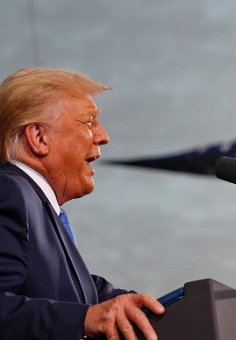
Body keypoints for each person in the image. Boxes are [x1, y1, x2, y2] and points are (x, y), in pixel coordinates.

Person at [0, 67, 164, 340]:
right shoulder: (10, 191)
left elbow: (85, 293)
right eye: (89, 122)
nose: (103, 136)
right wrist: (86, 318)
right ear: (39, 138)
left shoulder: (40, 208)